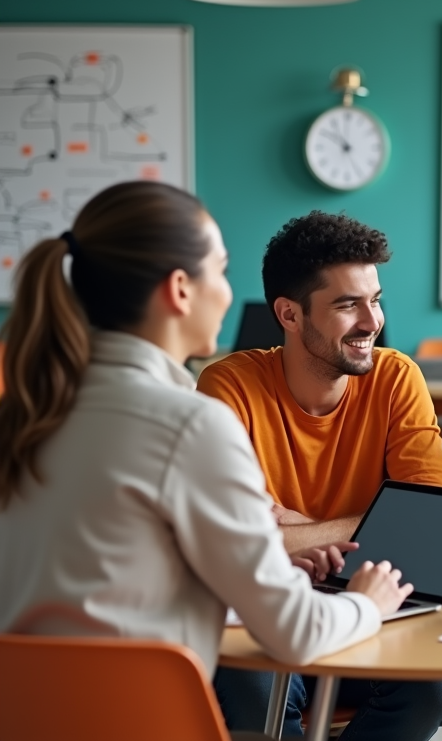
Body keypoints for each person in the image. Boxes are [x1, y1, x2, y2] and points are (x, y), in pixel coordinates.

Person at [0, 182, 413, 734]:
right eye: (219, 270)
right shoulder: (190, 425)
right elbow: (294, 632)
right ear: (179, 290)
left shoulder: (25, 410)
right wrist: (368, 602)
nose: (227, 290)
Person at [198, 211, 442, 739]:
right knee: (255, 692)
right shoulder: (229, 385)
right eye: (347, 304)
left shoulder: (395, 378)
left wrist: (291, 531)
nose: (372, 321)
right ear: (289, 314)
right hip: (268, 602)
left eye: (375, 299)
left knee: (435, 687)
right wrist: (376, 523)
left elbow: (433, 521)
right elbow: (227, 538)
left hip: (382, 600)